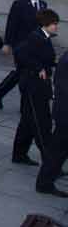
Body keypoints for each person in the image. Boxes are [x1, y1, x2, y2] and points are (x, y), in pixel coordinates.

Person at [12, 9, 59, 169]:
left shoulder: (43, 37)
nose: (56, 27)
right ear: (45, 24)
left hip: (38, 86)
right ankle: (50, 164)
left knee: (27, 122)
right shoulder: (36, 37)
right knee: (42, 124)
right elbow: (19, 53)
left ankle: (19, 154)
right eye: (54, 24)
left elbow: (45, 57)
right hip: (33, 87)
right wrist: (38, 68)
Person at [0, 0, 47, 110]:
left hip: (35, 46)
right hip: (21, 46)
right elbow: (12, 24)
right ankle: (24, 106)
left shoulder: (43, 5)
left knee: (21, 73)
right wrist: (7, 43)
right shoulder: (19, 4)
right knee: (24, 73)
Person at [36, 26, 68, 197]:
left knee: (58, 151)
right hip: (65, 114)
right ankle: (45, 182)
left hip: (63, 113)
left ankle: (45, 181)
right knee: (57, 151)